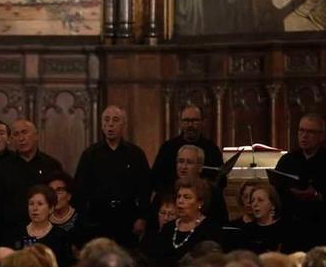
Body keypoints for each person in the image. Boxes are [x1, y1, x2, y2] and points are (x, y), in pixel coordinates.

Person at [74, 105, 151, 247]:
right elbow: (79, 189)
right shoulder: (90, 154)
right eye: (106, 120)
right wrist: (84, 219)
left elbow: (145, 189)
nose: (110, 124)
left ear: (123, 125)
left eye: (115, 120)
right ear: (102, 125)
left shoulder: (136, 154)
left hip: (127, 217)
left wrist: (142, 217)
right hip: (97, 218)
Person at [274, 114, 326, 249]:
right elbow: (276, 188)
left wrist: (316, 195)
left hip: (319, 227)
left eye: (310, 132)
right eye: (301, 130)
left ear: (321, 136)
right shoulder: (288, 160)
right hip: (290, 226)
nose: (304, 136)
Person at [0, 119, 62, 237]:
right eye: (16, 134)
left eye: (24, 132)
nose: (21, 138)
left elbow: (59, 200)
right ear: (11, 139)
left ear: (36, 136)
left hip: (46, 232)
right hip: (11, 232)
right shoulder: (3, 167)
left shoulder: (51, 165)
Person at [145, 178, 222, 267]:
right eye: (179, 196)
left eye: (187, 197)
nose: (180, 201)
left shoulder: (210, 228)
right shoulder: (168, 227)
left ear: (200, 202)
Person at [5, 184, 75, 267]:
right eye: (31, 203)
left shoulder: (60, 235)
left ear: (51, 209)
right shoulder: (17, 232)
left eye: (40, 204)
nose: (34, 208)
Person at [152, 105, 224, 196]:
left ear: (203, 122)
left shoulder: (211, 149)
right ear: (180, 123)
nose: (190, 125)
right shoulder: (168, 148)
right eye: (186, 120)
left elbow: (220, 180)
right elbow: (156, 179)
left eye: (194, 120)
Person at [174, 144, 228, 223]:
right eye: (180, 161)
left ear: (200, 167)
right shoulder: (168, 189)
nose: (183, 167)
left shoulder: (211, 192)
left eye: (189, 162)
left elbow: (221, 223)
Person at [242, 184, 291, 254]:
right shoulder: (247, 230)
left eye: (260, 200)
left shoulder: (286, 228)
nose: (255, 204)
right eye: (252, 201)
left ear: (273, 205)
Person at [47, 171, 83, 243]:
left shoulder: (82, 220)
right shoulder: (43, 220)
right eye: (51, 191)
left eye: (59, 190)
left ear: (69, 196)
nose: (54, 195)